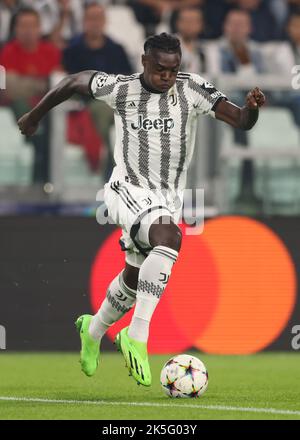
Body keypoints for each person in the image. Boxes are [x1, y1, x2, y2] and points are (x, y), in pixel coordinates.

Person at [18, 33, 265, 387]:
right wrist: (34, 115)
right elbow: (74, 81)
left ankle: (95, 328)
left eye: (174, 69)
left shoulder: (192, 89)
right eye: (161, 69)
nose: (167, 76)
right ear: (145, 62)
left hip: (168, 198)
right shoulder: (121, 89)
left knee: (135, 279)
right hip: (127, 189)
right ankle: (138, 335)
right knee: (169, 235)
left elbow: (240, 120)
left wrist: (252, 109)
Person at [63, 2, 133, 180]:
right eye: (91, 18)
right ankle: (110, 166)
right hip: (81, 103)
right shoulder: (72, 50)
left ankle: (111, 164)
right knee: (99, 110)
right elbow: (67, 81)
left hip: (112, 102)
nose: (95, 23)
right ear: (84, 21)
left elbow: (128, 80)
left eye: (98, 18)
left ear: (105, 21)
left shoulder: (116, 50)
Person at [0, 7, 61, 183]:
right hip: (21, 108)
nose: (28, 30)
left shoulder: (50, 51)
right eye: (23, 26)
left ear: (40, 28)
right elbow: (9, 88)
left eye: (32, 25)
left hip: (46, 110)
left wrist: (25, 84)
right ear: (15, 29)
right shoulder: (8, 51)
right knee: (20, 101)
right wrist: (41, 83)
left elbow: (57, 85)